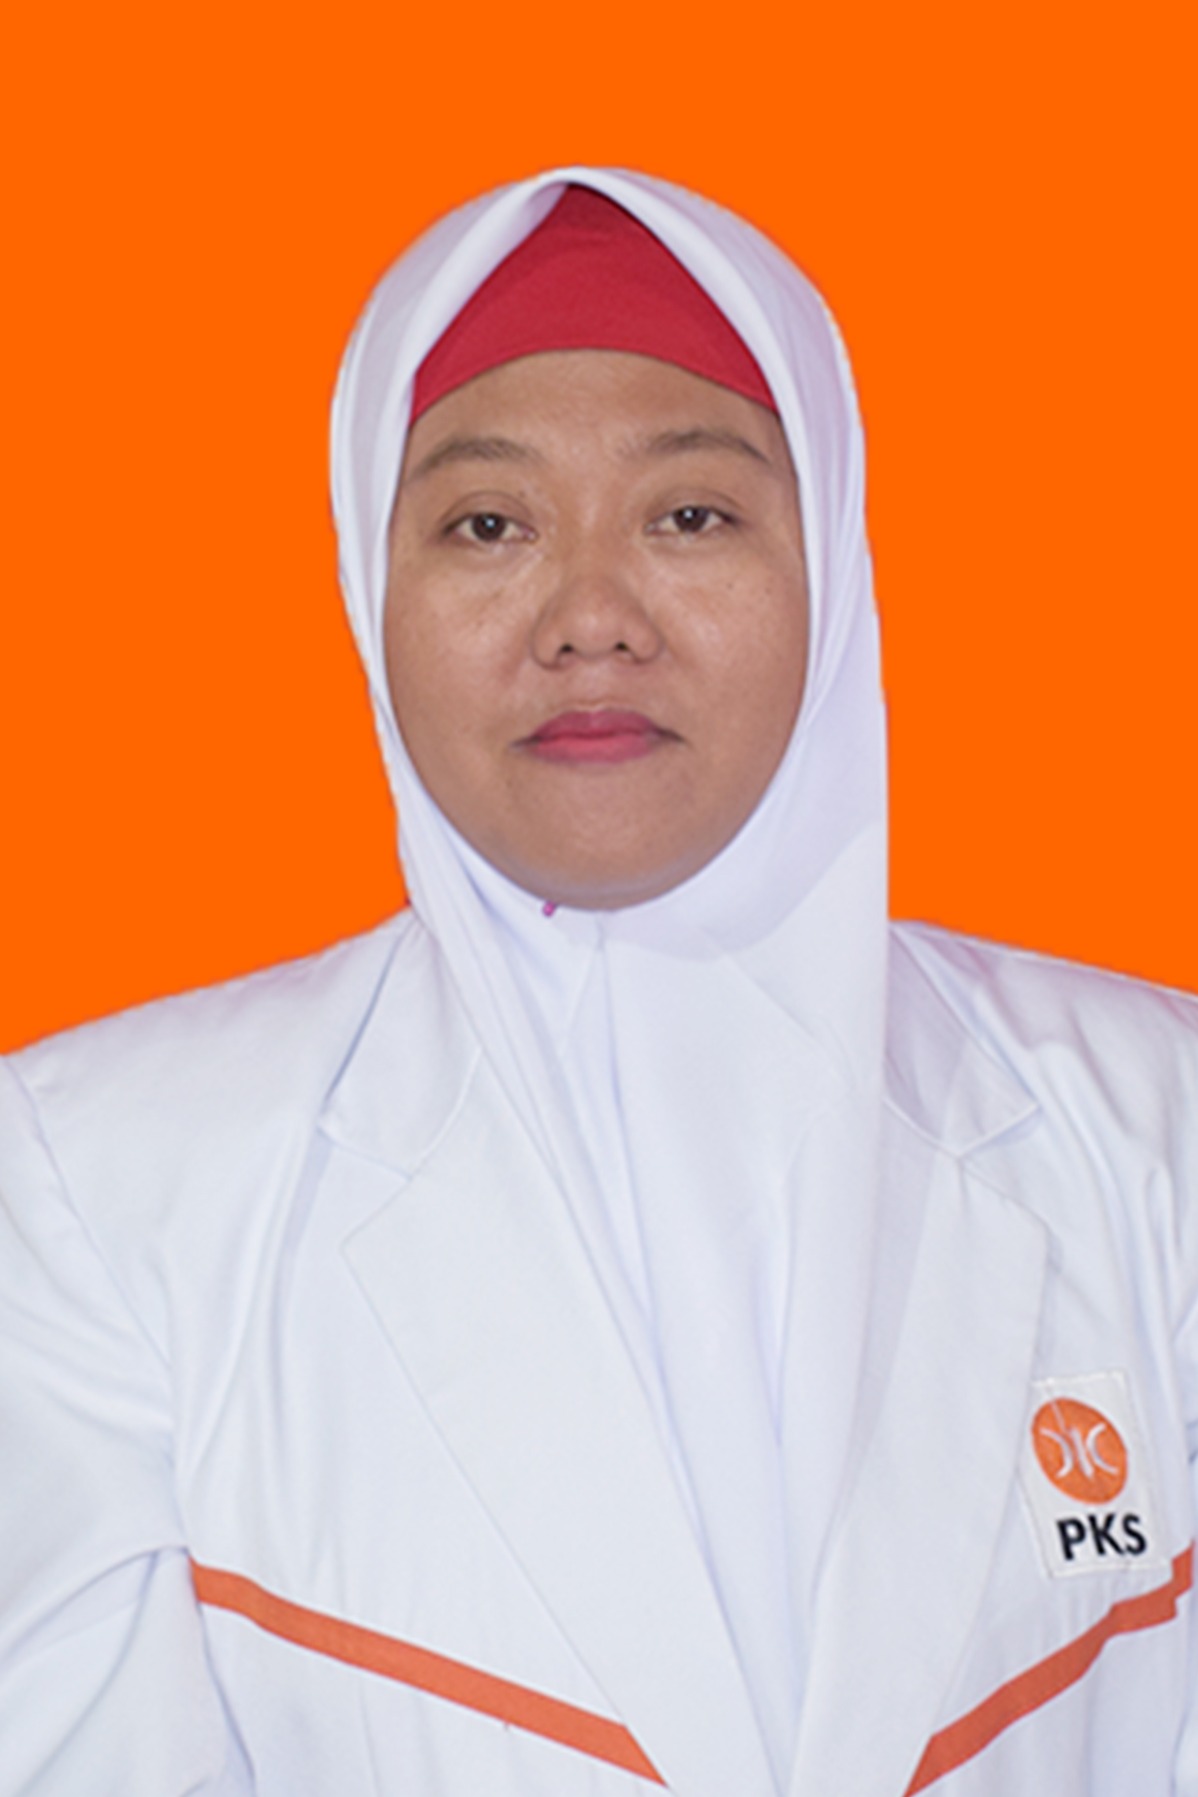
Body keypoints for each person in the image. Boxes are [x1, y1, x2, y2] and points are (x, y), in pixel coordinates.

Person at [1, 169, 1195, 1797]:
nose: (589, 619)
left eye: (689, 514)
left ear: (831, 557)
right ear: (367, 578)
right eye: (486, 524)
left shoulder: (1152, 1130)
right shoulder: (100, 1185)